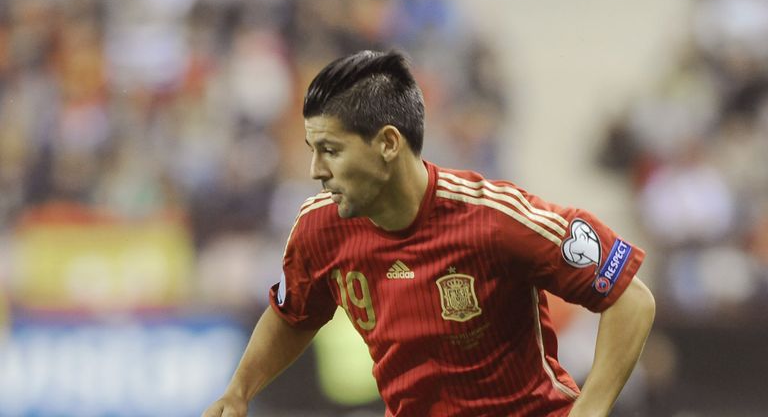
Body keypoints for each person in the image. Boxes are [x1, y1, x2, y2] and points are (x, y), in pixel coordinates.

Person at [202, 50, 655, 417]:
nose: (315, 170)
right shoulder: (319, 229)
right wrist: (239, 391)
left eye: (331, 150)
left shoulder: (495, 218)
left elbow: (631, 299)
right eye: (312, 149)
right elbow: (293, 314)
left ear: (388, 144)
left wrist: (590, 410)